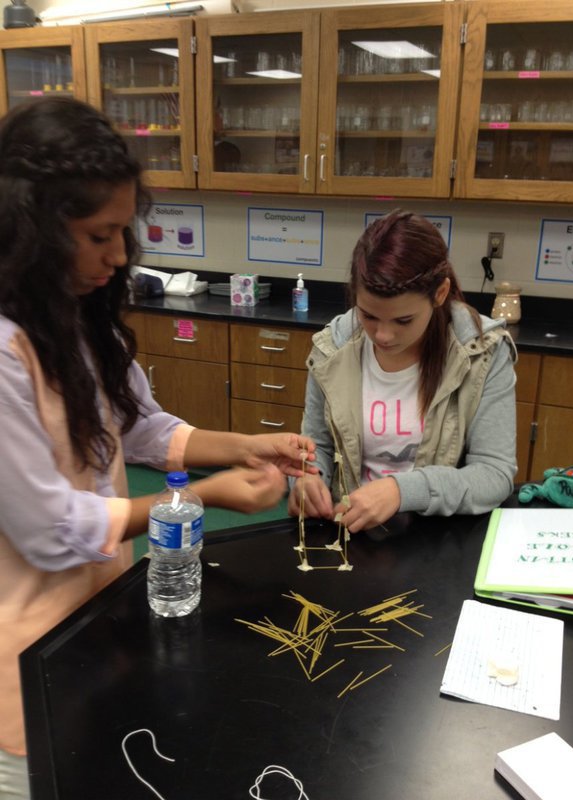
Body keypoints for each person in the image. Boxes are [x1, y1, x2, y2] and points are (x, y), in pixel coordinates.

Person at [0, 97, 315, 798]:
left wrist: (245, 445)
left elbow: (143, 428)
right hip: (17, 660)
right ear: (31, 231)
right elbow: (52, 528)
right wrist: (196, 498)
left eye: (123, 232)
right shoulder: (4, 354)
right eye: (98, 235)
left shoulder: (78, 323)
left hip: (92, 621)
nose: (118, 256)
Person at [288, 209, 517, 533]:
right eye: (368, 316)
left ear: (440, 294)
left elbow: (494, 474)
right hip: (350, 537)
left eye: (403, 321)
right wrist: (309, 479)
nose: (382, 335)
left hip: (435, 541)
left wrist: (402, 491)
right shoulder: (332, 349)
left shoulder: (483, 352)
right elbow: (317, 446)